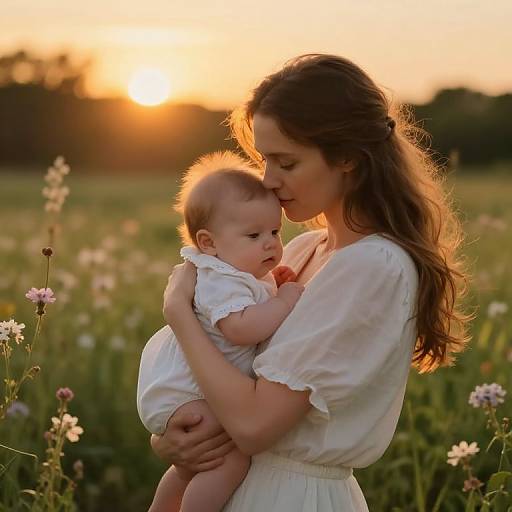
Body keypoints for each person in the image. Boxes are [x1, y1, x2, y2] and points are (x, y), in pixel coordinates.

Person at [151, 54, 470, 511]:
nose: (268, 181)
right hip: (234, 485)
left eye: (286, 162)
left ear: (346, 157)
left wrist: (179, 313)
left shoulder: (373, 267)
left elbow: (253, 426)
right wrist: (171, 441)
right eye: (265, 160)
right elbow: (222, 380)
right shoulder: (302, 250)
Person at [137, 151, 304, 512]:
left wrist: (272, 285)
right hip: (186, 391)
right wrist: (283, 302)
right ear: (209, 243)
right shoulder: (218, 280)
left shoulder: (233, 272)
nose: (271, 243)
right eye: (254, 234)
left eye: (275, 231)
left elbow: (250, 302)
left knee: (190, 466)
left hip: (186, 390)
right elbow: (240, 329)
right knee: (228, 459)